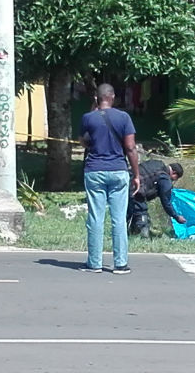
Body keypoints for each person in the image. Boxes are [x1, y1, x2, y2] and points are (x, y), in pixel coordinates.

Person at [79, 83, 140, 274]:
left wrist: (93, 109)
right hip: (118, 170)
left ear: (97, 99)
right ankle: (120, 263)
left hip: (94, 170)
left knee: (96, 218)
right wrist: (136, 174)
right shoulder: (124, 117)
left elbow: (84, 142)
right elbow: (130, 148)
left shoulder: (87, 118)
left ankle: (95, 263)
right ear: (112, 97)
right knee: (119, 218)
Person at [127, 160, 187, 238]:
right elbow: (166, 202)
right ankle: (142, 237)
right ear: (174, 173)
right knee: (141, 212)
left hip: (126, 182)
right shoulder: (165, 178)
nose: (174, 180)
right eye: (176, 178)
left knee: (127, 212)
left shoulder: (156, 163)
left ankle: (129, 233)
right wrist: (176, 216)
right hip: (136, 191)